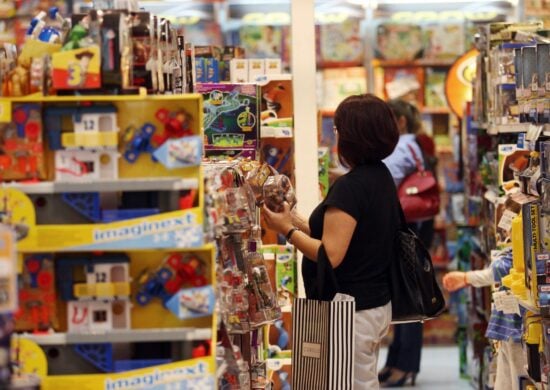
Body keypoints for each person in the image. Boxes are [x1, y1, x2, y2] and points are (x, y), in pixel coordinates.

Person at [262, 93, 401, 389]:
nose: (334, 136)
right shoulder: (379, 177)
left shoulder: (351, 187)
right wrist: (295, 220)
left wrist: (287, 231)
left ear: (351, 135)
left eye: (337, 129)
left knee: (348, 384)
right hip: (372, 304)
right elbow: (349, 236)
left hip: (350, 309)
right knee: (359, 379)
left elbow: (331, 254)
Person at [378, 99, 427, 388]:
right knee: (403, 296)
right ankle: (396, 362)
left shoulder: (404, 144)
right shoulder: (406, 144)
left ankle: (406, 366)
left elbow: (387, 177)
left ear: (400, 122)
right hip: (409, 226)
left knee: (410, 299)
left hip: (410, 230)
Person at [442, 248, 527, 390]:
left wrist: (467, 278)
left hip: (519, 328)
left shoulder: (529, 236)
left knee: (516, 378)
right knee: (505, 379)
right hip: (508, 325)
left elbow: (505, 268)